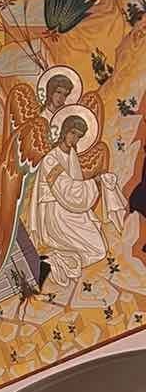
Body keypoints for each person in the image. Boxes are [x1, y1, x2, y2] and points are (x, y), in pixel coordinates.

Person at [25, 112, 128, 281]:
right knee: (97, 250)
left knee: (100, 250)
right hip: (56, 213)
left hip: (72, 209)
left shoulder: (71, 156)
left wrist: (98, 182)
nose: (74, 139)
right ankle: (52, 263)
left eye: (79, 136)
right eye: (72, 133)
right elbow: (66, 191)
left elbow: (75, 190)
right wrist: (94, 182)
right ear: (64, 131)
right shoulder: (51, 159)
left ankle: (56, 262)